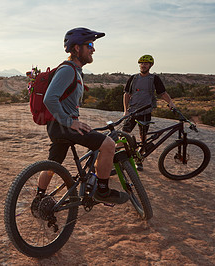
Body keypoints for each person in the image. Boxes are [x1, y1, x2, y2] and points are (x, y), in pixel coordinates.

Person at [36, 27, 129, 204]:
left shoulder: (75, 71)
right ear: (77, 48)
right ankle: (102, 190)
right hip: (62, 126)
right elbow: (50, 98)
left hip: (59, 127)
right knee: (108, 145)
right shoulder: (68, 70)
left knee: (53, 164)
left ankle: (39, 198)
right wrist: (69, 122)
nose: (93, 49)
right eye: (90, 45)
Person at [122, 55, 176, 170]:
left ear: (150, 65)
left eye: (146, 63)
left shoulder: (154, 79)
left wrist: (170, 102)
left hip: (145, 112)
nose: (143, 65)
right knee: (124, 135)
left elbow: (162, 93)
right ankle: (119, 158)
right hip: (132, 111)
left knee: (143, 137)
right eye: (141, 63)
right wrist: (125, 110)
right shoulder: (133, 78)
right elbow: (126, 94)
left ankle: (139, 159)